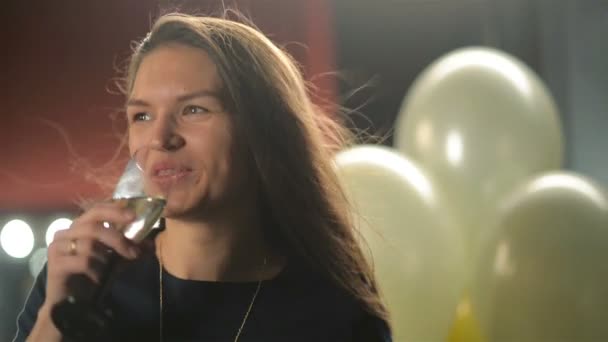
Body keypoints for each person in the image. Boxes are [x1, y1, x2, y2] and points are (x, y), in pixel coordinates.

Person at [14, 12, 392, 342]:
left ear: (262, 131)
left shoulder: (335, 314)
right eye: (142, 116)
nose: (160, 139)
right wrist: (54, 321)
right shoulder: (82, 281)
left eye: (194, 109)